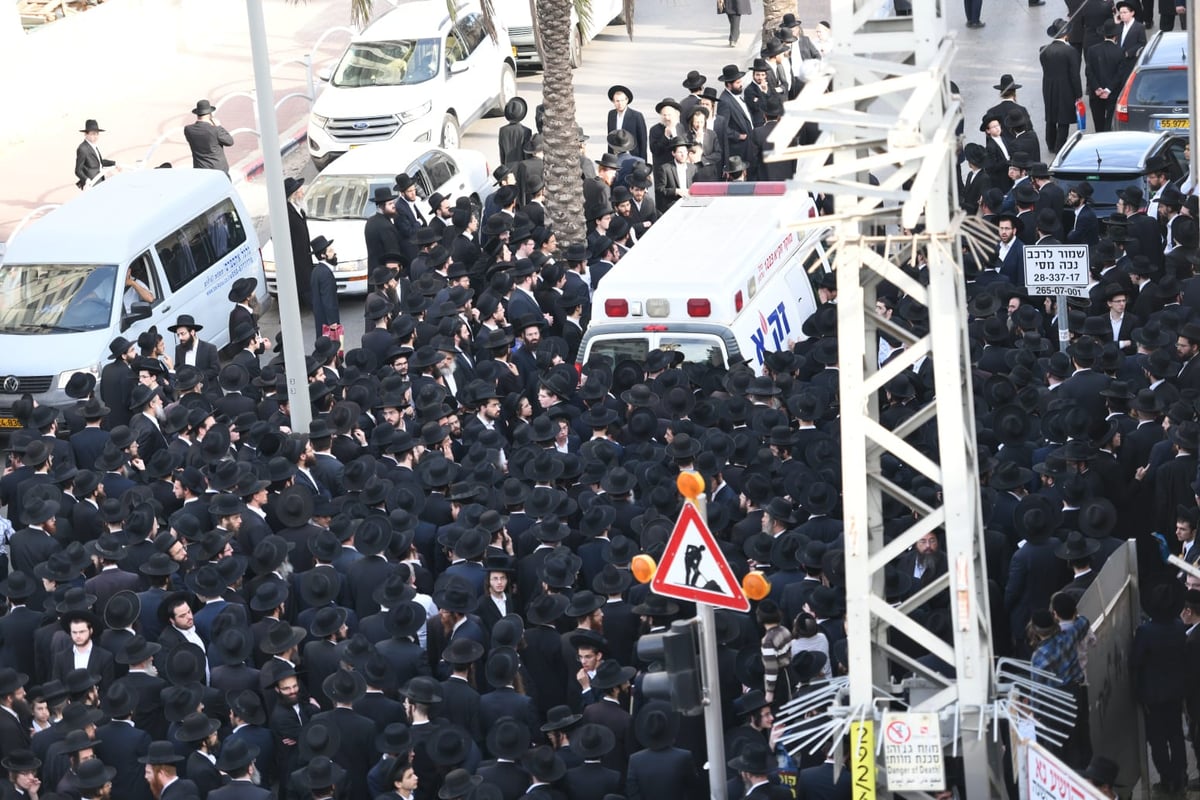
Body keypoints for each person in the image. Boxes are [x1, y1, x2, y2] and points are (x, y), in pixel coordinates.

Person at [1040, 20, 1083, 154]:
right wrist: (1078, 94)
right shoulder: (1071, 51)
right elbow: (1074, 75)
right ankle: (1060, 146)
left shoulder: (1043, 50)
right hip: (1065, 88)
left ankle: (1050, 144)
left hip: (1048, 87)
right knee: (1063, 118)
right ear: (1066, 35)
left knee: (1051, 115)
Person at [1085, 20, 1124, 133]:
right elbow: (1119, 74)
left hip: (1095, 94)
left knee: (1098, 123)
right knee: (1109, 122)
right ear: (1116, 36)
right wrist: (1108, 89)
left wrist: (1097, 88)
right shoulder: (1120, 52)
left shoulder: (1092, 50)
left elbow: (1089, 71)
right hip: (1112, 94)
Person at [183, 99, 234, 176]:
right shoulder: (215, 130)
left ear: (197, 114)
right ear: (210, 114)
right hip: (218, 170)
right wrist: (219, 126)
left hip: (200, 170)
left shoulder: (188, 129)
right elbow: (230, 141)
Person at [285, 177, 313, 308]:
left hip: (305, 259)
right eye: (300, 191)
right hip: (297, 262)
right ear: (294, 194)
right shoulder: (287, 214)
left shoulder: (300, 210)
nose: (303, 193)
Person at [605, 85, 648, 162]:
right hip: (615, 155)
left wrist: (643, 162)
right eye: (617, 101)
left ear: (627, 100)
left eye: (622, 100)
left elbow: (642, 141)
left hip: (632, 156)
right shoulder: (611, 114)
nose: (620, 103)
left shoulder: (636, 116)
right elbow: (610, 136)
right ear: (613, 102)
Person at [310, 236, 340, 341]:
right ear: (323, 255)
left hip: (320, 321)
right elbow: (328, 300)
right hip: (328, 324)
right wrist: (333, 322)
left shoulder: (316, 271)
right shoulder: (326, 274)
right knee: (333, 351)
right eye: (331, 251)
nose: (334, 253)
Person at [74, 119, 116, 190]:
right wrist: (87, 180)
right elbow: (78, 170)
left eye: (97, 133)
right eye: (93, 134)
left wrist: (114, 163)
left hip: (100, 181)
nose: (96, 136)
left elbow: (99, 162)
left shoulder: (93, 146)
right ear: (86, 134)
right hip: (92, 184)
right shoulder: (82, 148)